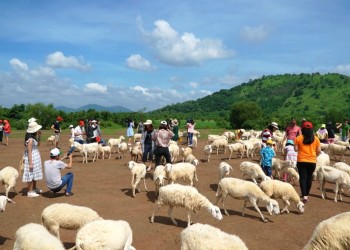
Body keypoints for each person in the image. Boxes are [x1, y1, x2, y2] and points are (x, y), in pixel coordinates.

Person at [294, 121, 321, 203]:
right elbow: (319, 151)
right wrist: (314, 154)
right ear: (312, 129)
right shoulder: (316, 139)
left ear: (303, 129)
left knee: (302, 178)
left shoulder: (298, 138)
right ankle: (306, 195)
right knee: (309, 178)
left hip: (301, 161)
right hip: (312, 161)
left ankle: (304, 196)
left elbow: (295, 149)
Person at [23, 121, 43, 197]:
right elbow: (29, 151)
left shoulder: (33, 138)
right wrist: (31, 163)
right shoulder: (30, 140)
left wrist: (39, 136)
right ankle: (30, 191)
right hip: (32, 158)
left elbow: (39, 144)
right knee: (31, 174)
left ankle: (34, 188)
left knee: (34, 173)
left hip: (35, 157)